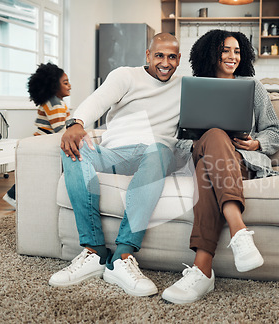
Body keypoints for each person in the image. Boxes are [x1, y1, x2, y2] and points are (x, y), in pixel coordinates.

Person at [48, 33, 182, 297]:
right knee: (71, 149)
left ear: (178, 60)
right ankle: (95, 251)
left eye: (172, 56)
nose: (165, 62)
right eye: (159, 55)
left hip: (155, 154)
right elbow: (97, 101)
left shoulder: (184, 86)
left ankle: (122, 257)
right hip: (115, 154)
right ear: (147, 55)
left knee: (160, 149)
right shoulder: (126, 76)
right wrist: (74, 124)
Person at [162, 29, 279, 304]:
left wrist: (256, 144)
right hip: (200, 153)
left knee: (207, 166)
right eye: (225, 50)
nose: (232, 56)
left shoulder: (253, 87)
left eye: (237, 51)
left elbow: (276, 132)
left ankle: (202, 270)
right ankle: (239, 231)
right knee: (214, 136)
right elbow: (176, 139)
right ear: (211, 53)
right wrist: (198, 143)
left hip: (239, 161)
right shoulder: (193, 87)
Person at [2, 63, 71, 209]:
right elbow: (60, 129)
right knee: (34, 174)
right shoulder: (54, 103)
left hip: (42, 142)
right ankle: (13, 196)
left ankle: (18, 196)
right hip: (43, 145)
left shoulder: (55, 102)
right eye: (65, 83)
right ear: (53, 86)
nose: (69, 85)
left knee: (36, 173)